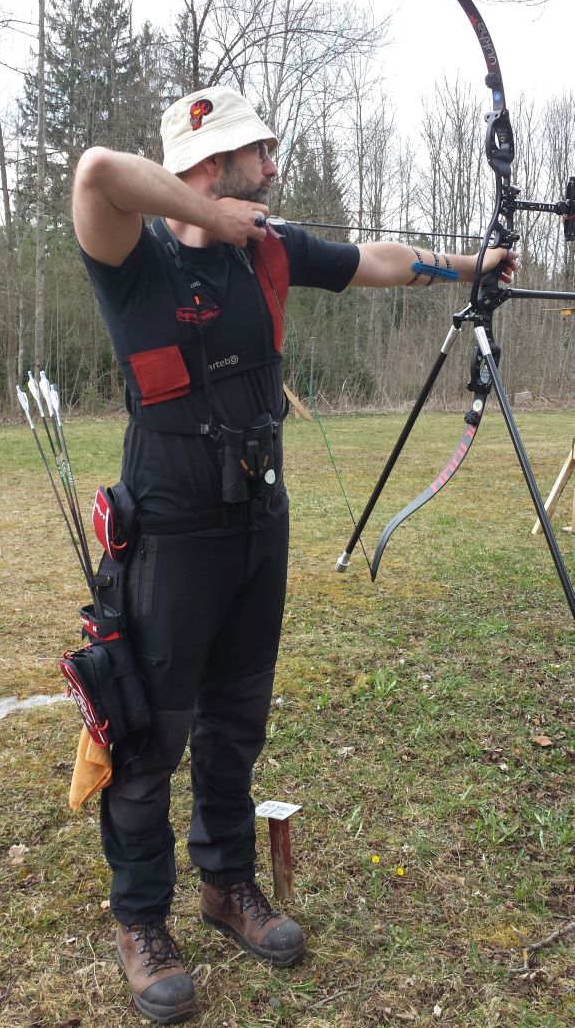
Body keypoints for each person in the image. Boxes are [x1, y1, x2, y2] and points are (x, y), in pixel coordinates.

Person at [72, 85, 515, 1025]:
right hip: (170, 525)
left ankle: (227, 884)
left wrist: (468, 263)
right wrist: (204, 213)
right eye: (258, 155)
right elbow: (99, 174)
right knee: (152, 731)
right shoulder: (132, 261)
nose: (273, 170)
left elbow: (381, 262)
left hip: (255, 518)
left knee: (236, 717)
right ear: (211, 165)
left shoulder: (269, 252)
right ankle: (140, 920)